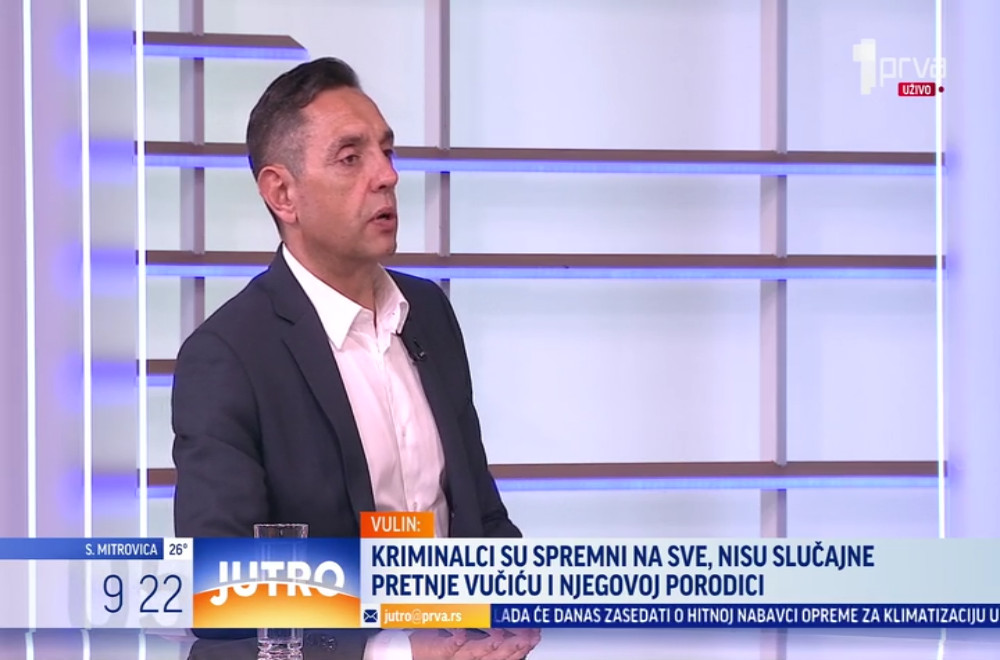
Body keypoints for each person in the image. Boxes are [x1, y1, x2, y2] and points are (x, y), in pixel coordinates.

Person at [171, 57, 539, 659]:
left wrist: (513, 606)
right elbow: (224, 596)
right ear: (283, 194)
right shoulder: (228, 356)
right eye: (351, 158)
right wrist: (395, 653)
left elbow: (479, 513)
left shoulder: (428, 313)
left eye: (387, 152)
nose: (387, 175)